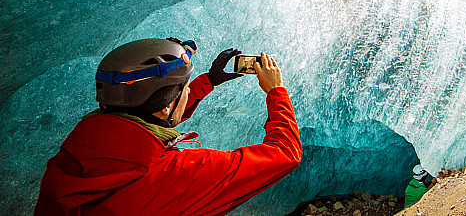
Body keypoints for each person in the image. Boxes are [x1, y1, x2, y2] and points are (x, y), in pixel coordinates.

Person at [34, 38, 302, 215]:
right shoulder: (179, 174)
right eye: (185, 88)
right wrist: (275, 91)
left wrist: (207, 81)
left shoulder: (76, 150)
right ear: (165, 106)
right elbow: (284, 153)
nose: (188, 91)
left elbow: (147, 121)